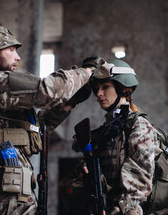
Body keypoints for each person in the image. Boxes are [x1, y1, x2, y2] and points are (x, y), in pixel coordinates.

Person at [0, 25, 102, 215]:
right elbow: (48, 90)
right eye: (12, 50)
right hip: (5, 197)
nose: (17, 57)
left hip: (11, 193)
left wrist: (68, 104)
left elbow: (35, 130)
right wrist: (87, 72)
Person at [68, 59, 159, 215]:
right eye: (96, 89)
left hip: (126, 210)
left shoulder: (139, 125)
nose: (99, 94)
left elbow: (141, 181)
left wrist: (117, 209)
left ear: (123, 89)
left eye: (105, 87)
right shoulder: (108, 129)